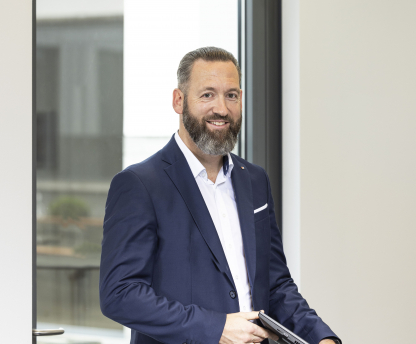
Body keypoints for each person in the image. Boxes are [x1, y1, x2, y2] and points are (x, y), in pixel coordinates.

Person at [99, 47, 341, 344]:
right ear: (179, 101)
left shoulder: (255, 180)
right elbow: (120, 295)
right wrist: (216, 328)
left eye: (231, 95)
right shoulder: (139, 184)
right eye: (207, 95)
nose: (222, 109)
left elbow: (275, 284)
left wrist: (320, 337)